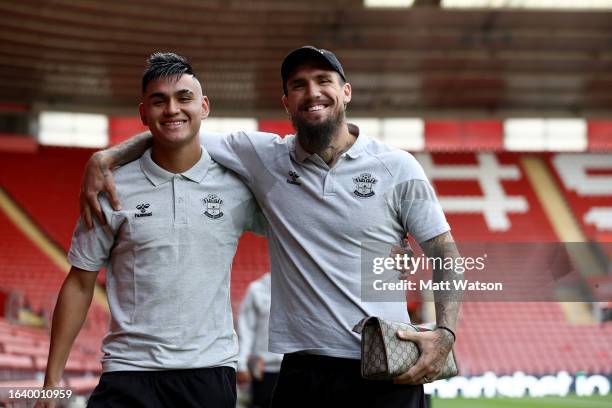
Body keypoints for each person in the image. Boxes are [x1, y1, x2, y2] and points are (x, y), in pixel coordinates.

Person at [79, 46, 461, 407]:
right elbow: (177, 128)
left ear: (345, 92)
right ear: (286, 103)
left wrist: (445, 334)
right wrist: (107, 156)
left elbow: (445, 252)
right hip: (300, 372)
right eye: (298, 85)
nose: (312, 92)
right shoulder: (265, 157)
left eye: (323, 80)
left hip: (383, 367)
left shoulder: (397, 166)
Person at [39, 53, 263, 408]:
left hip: (208, 373)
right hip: (128, 372)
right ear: (144, 113)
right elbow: (80, 283)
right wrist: (51, 383)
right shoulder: (110, 189)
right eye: (159, 101)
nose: (172, 109)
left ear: (204, 106)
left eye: (184, 98)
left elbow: (302, 225)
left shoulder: (237, 186)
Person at [236, 272, 283, 408]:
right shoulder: (257, 289)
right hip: (264, 367)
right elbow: (246, 330)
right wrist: (242, 364)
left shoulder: (300, 288)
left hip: (295, 365)